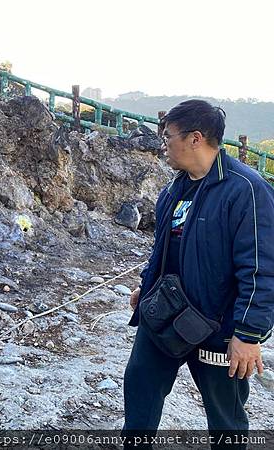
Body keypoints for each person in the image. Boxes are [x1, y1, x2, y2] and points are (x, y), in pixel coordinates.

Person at [122, 100, 274, 448]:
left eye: (168, 136)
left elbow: (262, 269)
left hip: (217, 329)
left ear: (195, 138)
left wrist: (248, 334)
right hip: (163, 318)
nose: (163, 143)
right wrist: (146, 289)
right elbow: (165, 248)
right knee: (140, 393)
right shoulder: (174, 189)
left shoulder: (246, 190)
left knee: (226, 419)